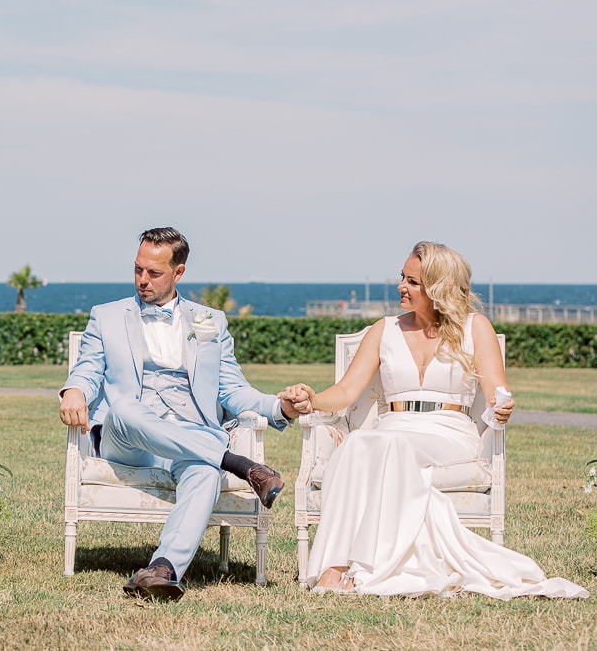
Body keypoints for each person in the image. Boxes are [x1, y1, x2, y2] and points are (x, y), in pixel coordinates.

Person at [282, 241, 589, 599]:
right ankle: (334, 566)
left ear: (437, 288)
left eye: (412, 282)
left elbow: (496, 391)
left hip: (449, 434)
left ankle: (365, 567)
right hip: (392, 430)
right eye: (402, 277)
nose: (401, 286)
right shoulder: (383, 330)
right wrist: (313, 399)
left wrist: (501, 406)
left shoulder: (475, 328)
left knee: (381, 443)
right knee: (360, 441)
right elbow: (347, 391)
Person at [59, 227, 302, 601]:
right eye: (138, 269)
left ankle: (163, 569)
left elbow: (232, 390)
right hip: (129, 439)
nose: (142, 280)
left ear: (179, 272)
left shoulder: (210, 321)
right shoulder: (106, 317)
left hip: (192, 438)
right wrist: (74, 390)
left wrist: (279, 407)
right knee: (124, 409)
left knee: (204, 469)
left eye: (154, 273)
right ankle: (239, 464)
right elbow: (88, 369)